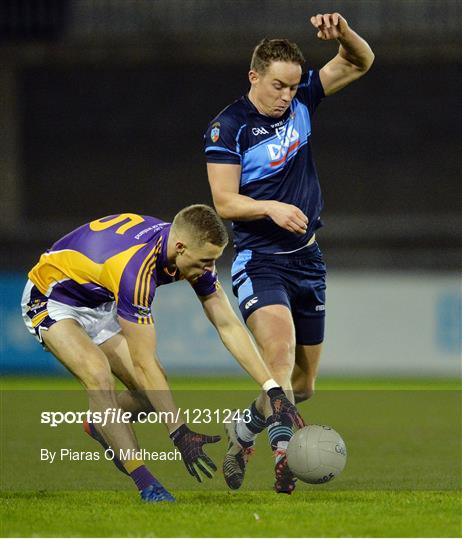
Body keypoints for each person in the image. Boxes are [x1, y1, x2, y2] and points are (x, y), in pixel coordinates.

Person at [21, 204, 303, 502]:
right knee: (98, 374)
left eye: (214, 261)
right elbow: (143, 361)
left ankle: (100, 422)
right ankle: (146, 483)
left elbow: (228, 325)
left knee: (149, 394)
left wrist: (272, 389)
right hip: (52, 298)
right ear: (180, 248)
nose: (209, 270)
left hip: (98, 302)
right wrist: (179, 432)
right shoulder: (135, 270)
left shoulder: (186, 250)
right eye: (206, 261)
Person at [204, 13, 374, 493]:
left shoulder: (301, 101)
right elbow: (224, 200)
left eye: (293, 87)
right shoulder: (229, 127)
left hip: (308, 260)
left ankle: (241, 432)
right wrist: (271, 208)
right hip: (261, 261)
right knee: (277, 366)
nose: (286, 96)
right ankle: (284, 455)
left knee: (301, 387)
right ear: (254, 76)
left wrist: (344, 35)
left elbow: (361, 61)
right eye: (278, 85)